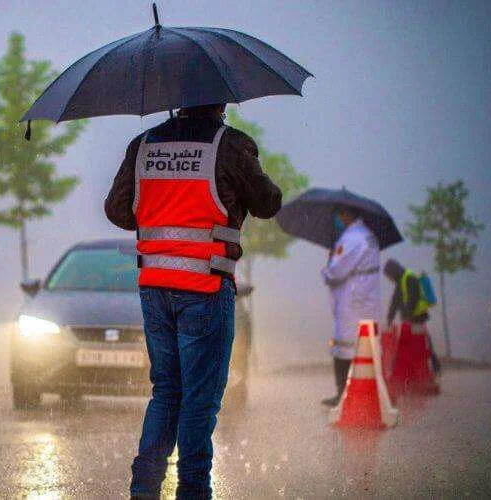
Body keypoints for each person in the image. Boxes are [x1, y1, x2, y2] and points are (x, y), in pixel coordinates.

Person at [105, 103, 281, 499]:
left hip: (155, 289)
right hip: (205, 288)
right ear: (220, 102)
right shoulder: (230, 145)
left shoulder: (143, 145)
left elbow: (117, 210)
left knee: (167, 392)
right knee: (200, 399)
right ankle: (194, 491)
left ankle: (143, 489)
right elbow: (268, 203)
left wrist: (162, 205)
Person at [320, 207, 381, 407]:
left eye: (340, 214)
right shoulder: (366, 235)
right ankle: (361, 394)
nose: (338, 218)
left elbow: (336, 271)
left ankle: (343, 394)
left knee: (343, 347)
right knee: (363, 347)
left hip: (352, 301)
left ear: (347, 215)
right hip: (363, 297)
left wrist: (327, 267)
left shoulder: (352, 239)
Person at [383, 259, 441, 373]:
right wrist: (390, 318)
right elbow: (395, 302)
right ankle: (431, 367)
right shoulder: (401, 280)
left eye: (389, 276)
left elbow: (411, 299)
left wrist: (406, 316)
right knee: (421, 342)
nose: (390, 279)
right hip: (413, 318)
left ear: (393, 272)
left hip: (417, 317)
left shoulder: (409, 278)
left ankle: (432, 367)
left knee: (421, 343)